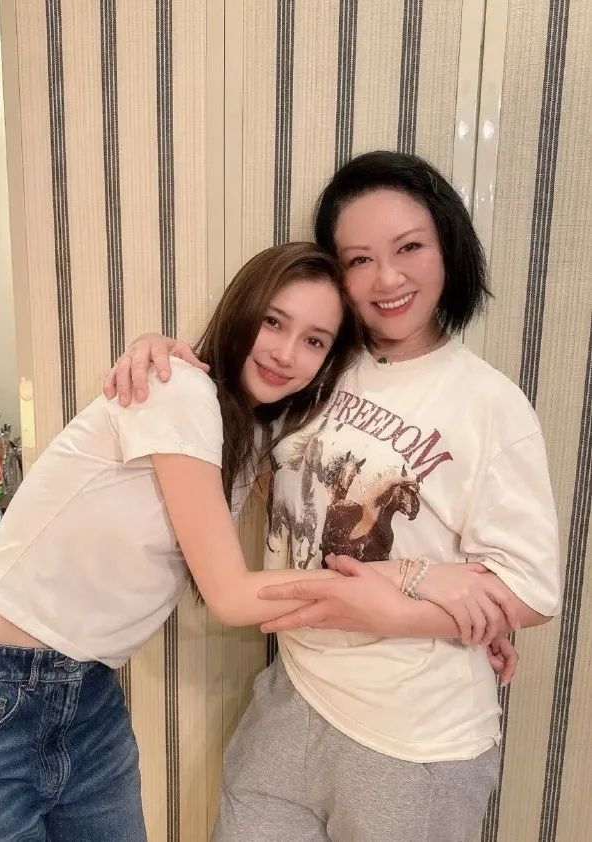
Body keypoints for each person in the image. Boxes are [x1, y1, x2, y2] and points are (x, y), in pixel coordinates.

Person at [105, 151, 560, 842]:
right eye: (359, 259)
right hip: (292, 698)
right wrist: (159, 351)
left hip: (416, 741)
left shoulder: (490, 404)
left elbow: (529, 589)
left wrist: (395, 603)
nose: (388, 279)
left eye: (409, 248)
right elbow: (225, 412)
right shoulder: (319, 361)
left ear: (448, 247)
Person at [0, 242, 369, 842]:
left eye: (314, 341)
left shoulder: (248, 430)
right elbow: (230, 596)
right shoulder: (180, 392)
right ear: (241, 310)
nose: (285, 352)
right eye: (273, 322)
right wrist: (404, 588)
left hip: (88, 692)